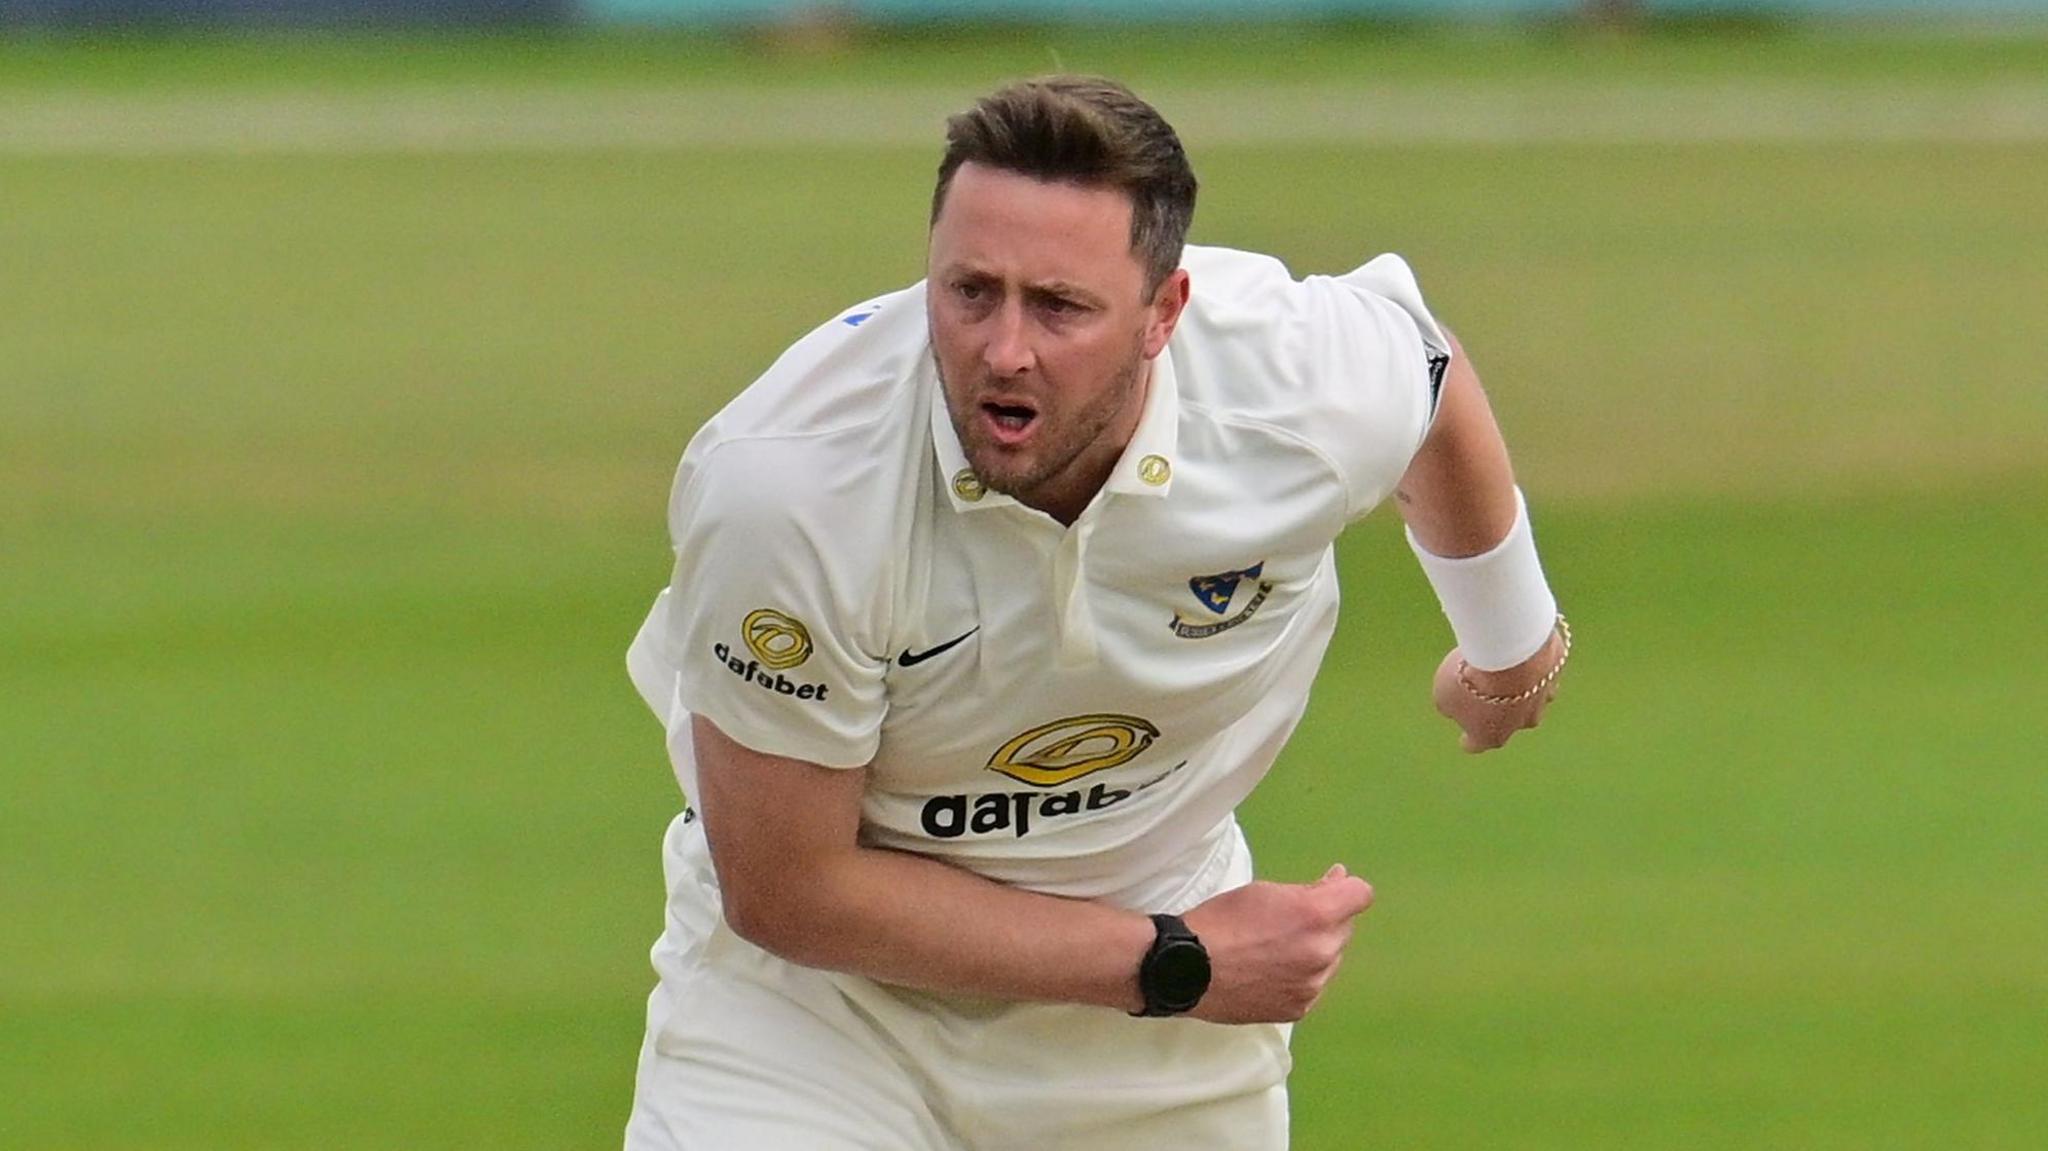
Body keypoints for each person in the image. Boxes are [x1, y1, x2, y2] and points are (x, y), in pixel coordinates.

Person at [621, 75, 1569, 1150]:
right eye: (969, 291)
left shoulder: (1285, 376)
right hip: (814, 1017)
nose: (1003, 349)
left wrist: (1509, 648)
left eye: (1059, 306)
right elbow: (789, 890)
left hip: (1154, 1048)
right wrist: (1176, 959)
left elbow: (1428, 380)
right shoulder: (790, 490)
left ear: (1165, 311)